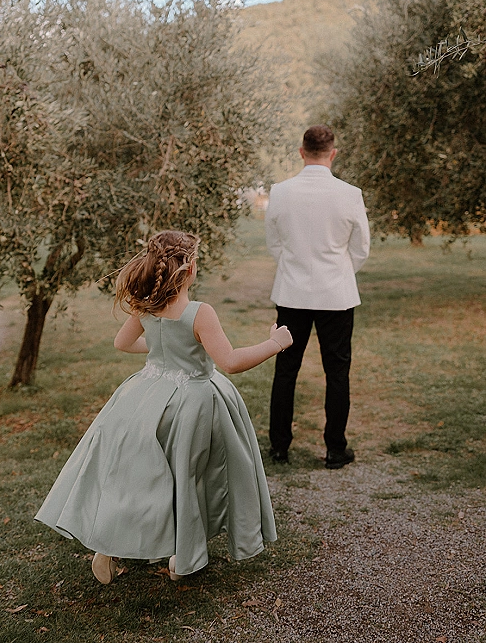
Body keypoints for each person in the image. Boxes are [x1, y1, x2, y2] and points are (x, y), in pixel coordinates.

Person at [35, 230, 292, 584]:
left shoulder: (146, 303)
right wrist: (275, 342)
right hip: (193, 405)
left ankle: (107, 547)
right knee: (190, 477)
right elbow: (230, 361)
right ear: (190, 268)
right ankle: (180, 555)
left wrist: (162, 352)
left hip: (145, 399)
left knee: (138, 477)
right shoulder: (199, 312)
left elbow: (122, 343)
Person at [265, 124, 370, 469]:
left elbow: (274, 244)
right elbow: (361, 249)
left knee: (286, 369)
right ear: (333, 153)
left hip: (291, 292)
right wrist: (337, 274)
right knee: (337, 372)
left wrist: (295, 269)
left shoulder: (280, 192)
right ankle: (335, 450)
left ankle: (279, 447)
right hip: (336, 296)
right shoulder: (350, 193)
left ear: (301, 152)